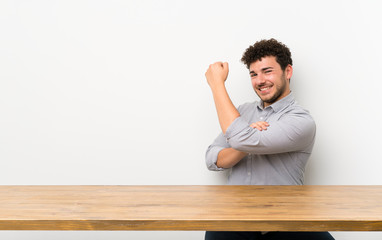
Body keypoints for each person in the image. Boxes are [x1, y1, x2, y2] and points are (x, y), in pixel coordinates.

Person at [204, 39, 334, 240]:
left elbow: (239, 138)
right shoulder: (241, 112)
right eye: (253, 74)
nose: (259, 80)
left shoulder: (301, 120)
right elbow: (213, 158)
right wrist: (245, 144)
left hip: (286, 223)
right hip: (234, 220)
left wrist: (217, 84)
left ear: (287, 71)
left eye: (267, 71)